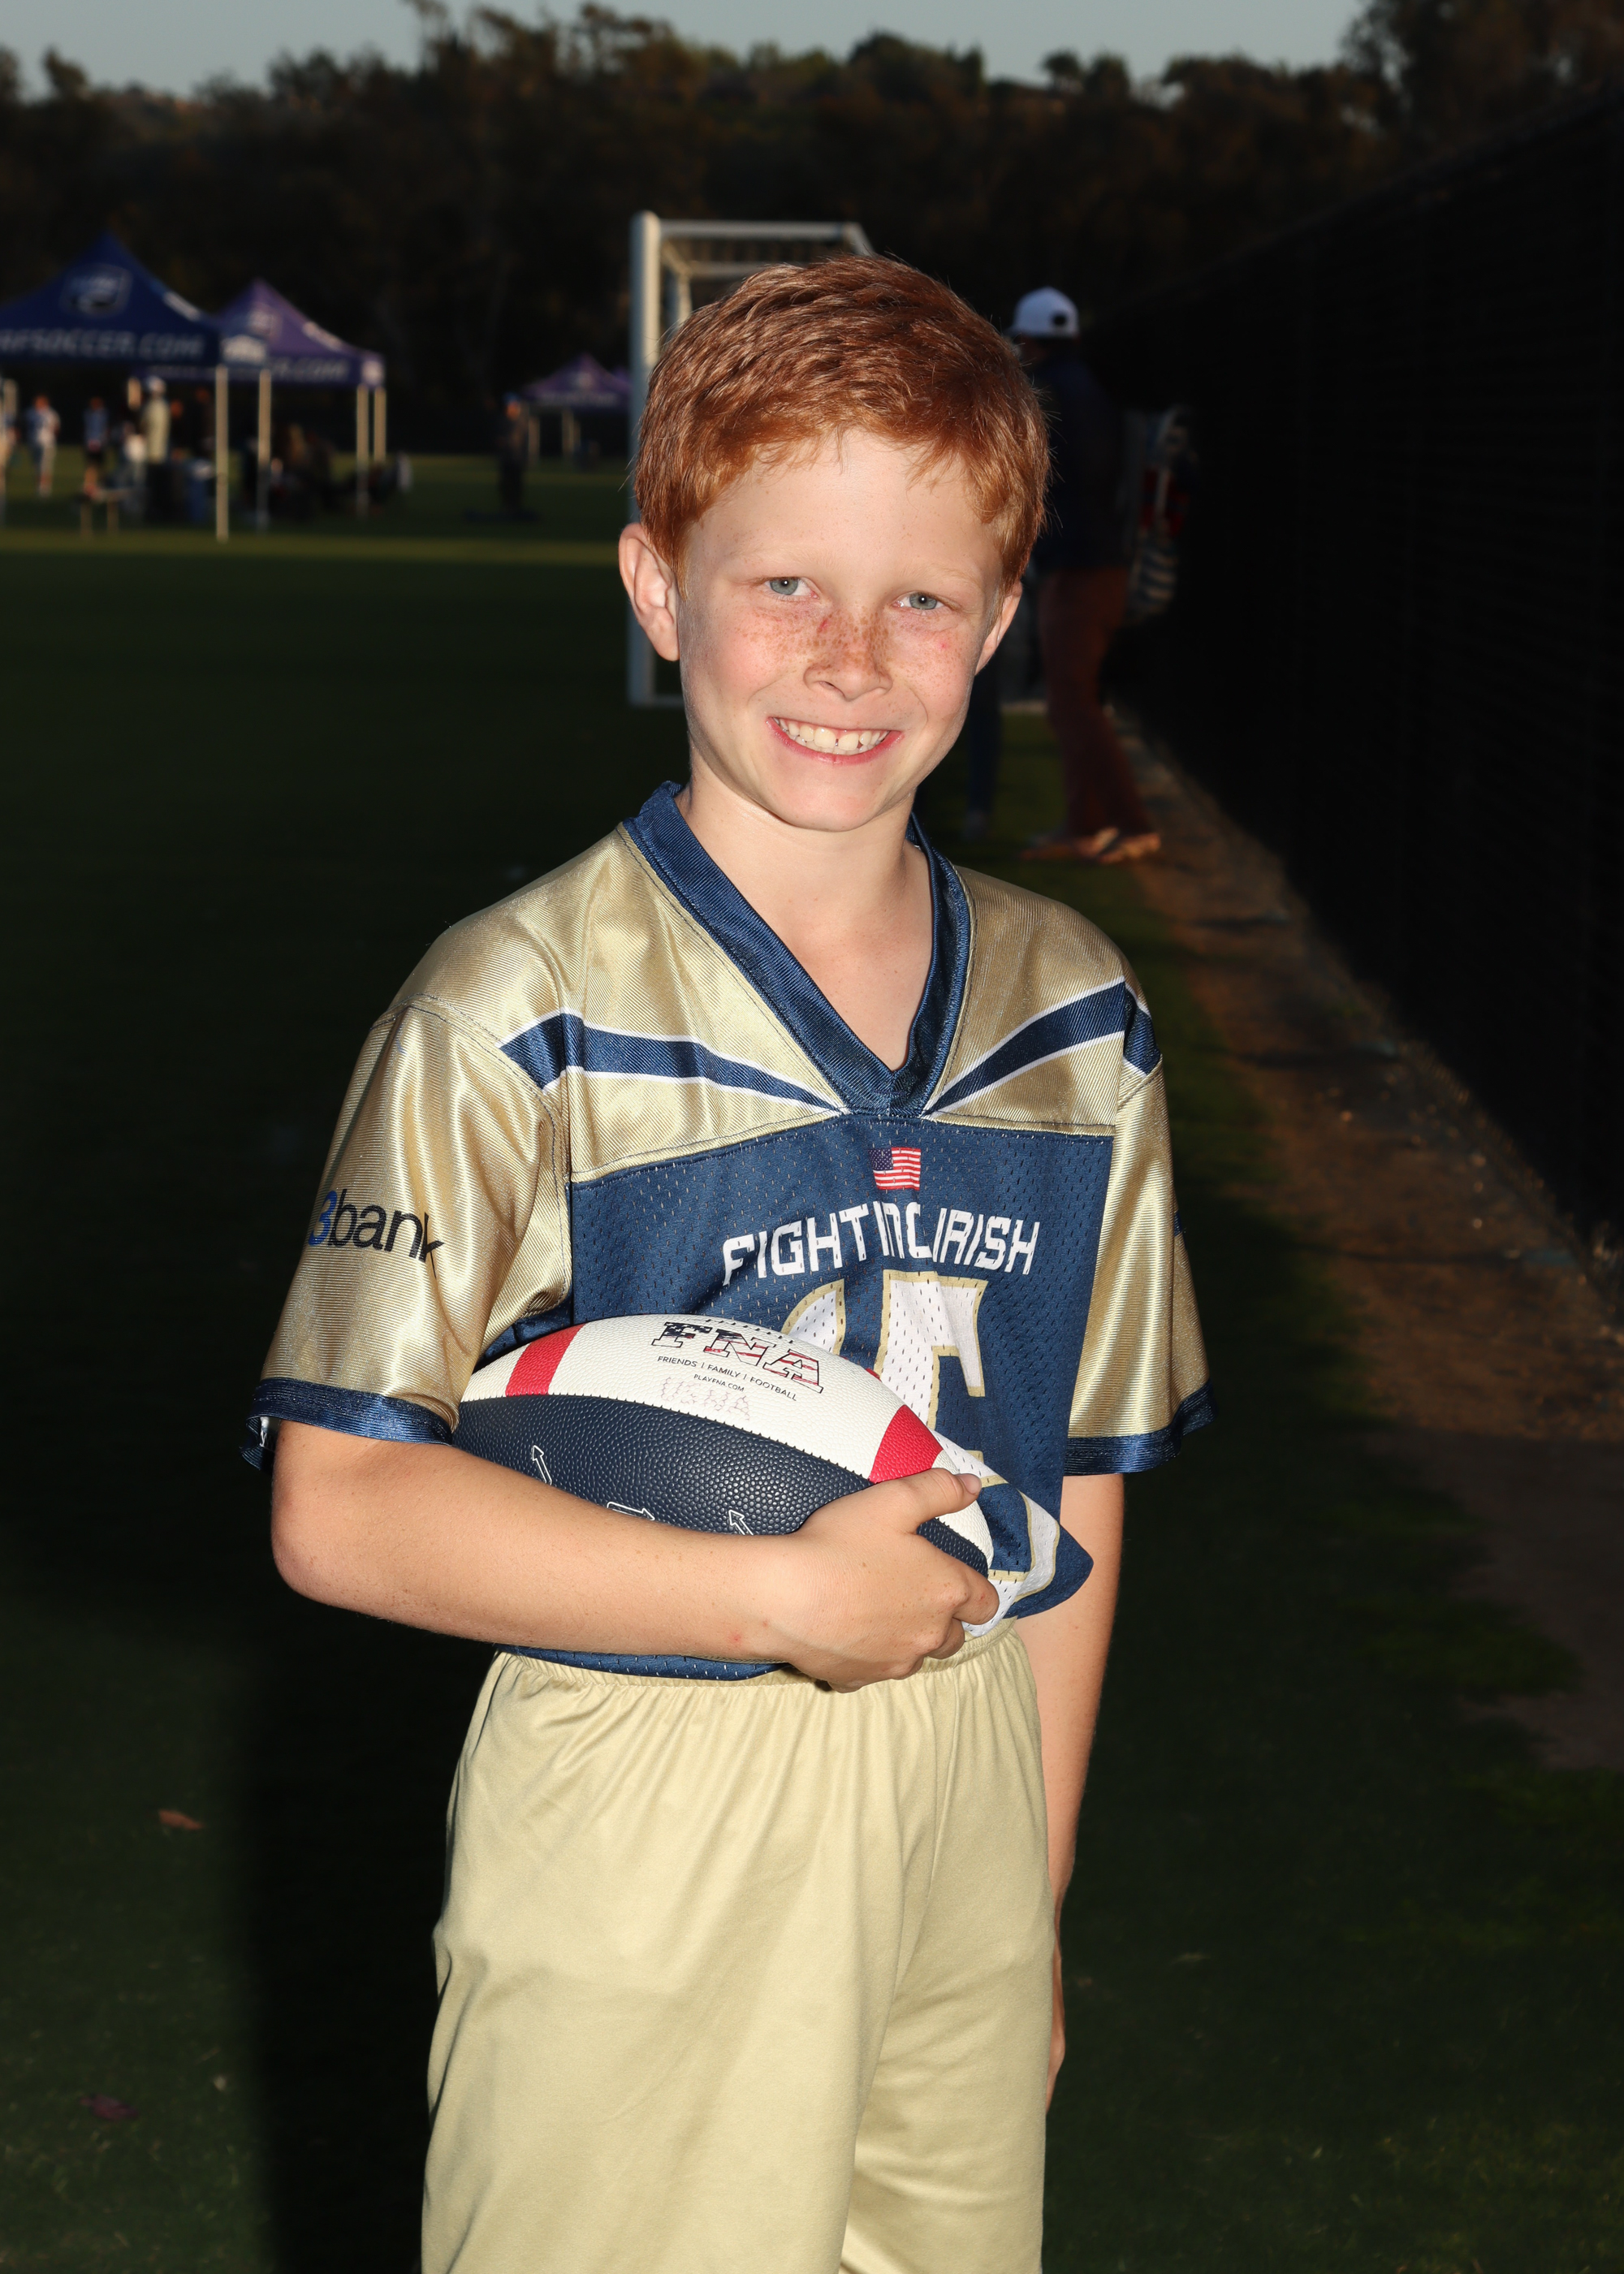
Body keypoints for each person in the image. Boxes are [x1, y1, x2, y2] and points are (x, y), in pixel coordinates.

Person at [248, 254, 1212, 2274]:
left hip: (967, 1754)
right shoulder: (510, 1004)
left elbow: (1072, 1487)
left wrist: (1028, 1887)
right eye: (783, 583)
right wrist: (772, 1595)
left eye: (921, 598)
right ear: (657, 585)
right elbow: (336, 1509)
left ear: (1001, 620)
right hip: (653, 1757)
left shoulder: (1076, 1014)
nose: (851, 657)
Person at [1011, 287, 1162, 867]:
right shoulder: (1092, 388)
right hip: (1099, 564)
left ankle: (1133, 824)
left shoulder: (1050, 394)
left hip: (1078, 568)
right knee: (1074, 700)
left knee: (1072, 702)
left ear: (1030, 341)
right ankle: (1085, 823)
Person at [140, 380, 171, 521]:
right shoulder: (164, 406)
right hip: (162, 451)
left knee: (151, 484)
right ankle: (158, 510)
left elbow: (143, 425)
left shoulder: (150, 407)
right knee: (159, 484)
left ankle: (152, 511)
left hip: (151, 452)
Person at [26, 393, 59, 495]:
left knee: (45, 466)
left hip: (47, 443)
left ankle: (45, 488)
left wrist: (51, 437)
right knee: (36, 466)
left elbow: (56, 427)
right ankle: (39, 487)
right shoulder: (30, 413)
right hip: (34, 442)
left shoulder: (50, 413)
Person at [83, 396, 109, 473]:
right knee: (90, 463)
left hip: (100, 441)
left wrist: (104, 440)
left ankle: (101, 478)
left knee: (100, 463)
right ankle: (90, 478)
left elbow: (105, 428)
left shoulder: (103, 414)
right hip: (91, 441)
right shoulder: (88, 414)